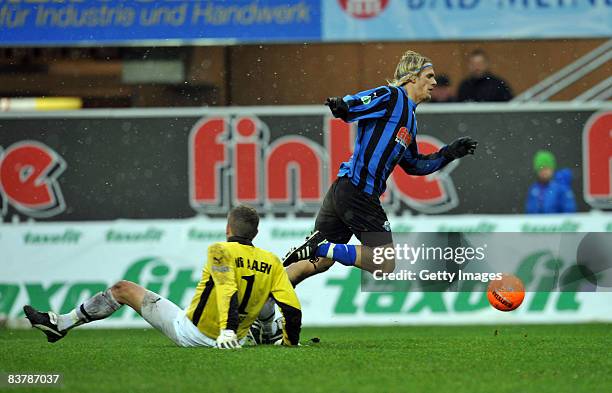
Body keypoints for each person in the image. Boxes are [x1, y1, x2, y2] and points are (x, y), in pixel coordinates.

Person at [282, 50, 478, 285]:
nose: (434, 82)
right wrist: (343, 105)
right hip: (358, 191)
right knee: (384, 262)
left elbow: (414, 165)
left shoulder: (410, 120)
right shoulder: (393, 96)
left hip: (344, 191)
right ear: (412, 78)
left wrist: (449, 153)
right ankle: (322, 246)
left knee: (319, 262)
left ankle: (264, 303)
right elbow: (358, 103)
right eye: (429, 76)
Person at [23, 205, 301, 349]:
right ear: (255, 233)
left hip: (194, 333)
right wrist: (290, 343)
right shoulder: (271, 260)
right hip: (234, 338)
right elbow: (292, 308)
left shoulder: (220, 250)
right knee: (265, 294)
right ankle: (268, 335)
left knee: (122, 289)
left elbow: (227, 289)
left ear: (228, 228)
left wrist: (225, 329)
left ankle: (62, 323)